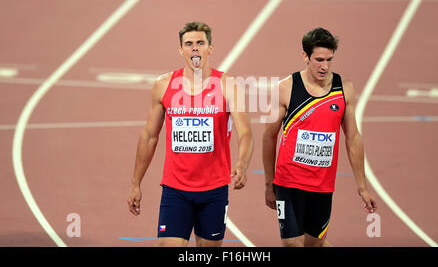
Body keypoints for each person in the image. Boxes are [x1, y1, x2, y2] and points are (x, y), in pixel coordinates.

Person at [127, 21, 253, 247]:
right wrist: (136, 182)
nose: (194, 48)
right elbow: (149, 136)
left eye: (200, 43)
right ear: (181, 50)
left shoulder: (228, 86)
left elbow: (245, 133)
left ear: (210, 48)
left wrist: (242, 163)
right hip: (176, 190)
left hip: (214, 191)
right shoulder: (164, 85)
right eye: (189, 44)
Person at [262, 27, 377, 247]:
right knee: (292, 244)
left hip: (322, 184)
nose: (325, 66)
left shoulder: (343, 88)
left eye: (329, 59)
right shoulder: (285, 89)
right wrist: (269, 182)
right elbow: (269, 137)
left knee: (313, 244)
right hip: (289, 181)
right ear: (305, 56)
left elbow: (352, 138)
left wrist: (362, 186)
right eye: (319, 59)